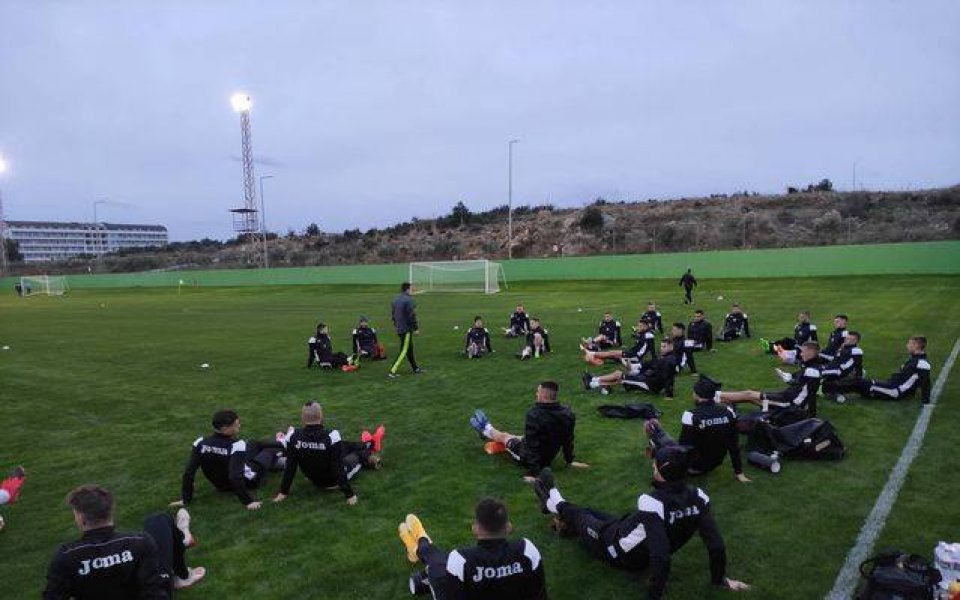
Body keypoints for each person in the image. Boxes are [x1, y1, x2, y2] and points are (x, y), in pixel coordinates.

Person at [531, 450, 750, 599]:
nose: (652, 467)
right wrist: (720, 579)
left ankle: (552, 499)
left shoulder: (652, 502)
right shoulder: (699, 496)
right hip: (626, 531)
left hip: (614, 549)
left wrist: (653, 596)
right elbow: (715, 544)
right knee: (589, 512)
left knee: (580, 516)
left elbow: (661, 555)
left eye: (654, 464)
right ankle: (558, 515)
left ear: (660, 471)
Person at [44, 484, 205, 599]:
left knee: (158, 521)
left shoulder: (66, 556)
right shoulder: (139, 542)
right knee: (158, 520)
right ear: (110, 511)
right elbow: (155, 589)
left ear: (80, 517)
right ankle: (183, 571)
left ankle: (184, 538)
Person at [397, 499, 548, 599]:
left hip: (455, 573)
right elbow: (540, 595)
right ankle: (418, 546)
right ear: (509, 527)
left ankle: (421, 541)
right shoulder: (527, 550)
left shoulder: (460, 558)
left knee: (436, 565)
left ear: (475, 529)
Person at [273, 401, 384, 506]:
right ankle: (371, 447)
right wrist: (350, 495)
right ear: (321, 416)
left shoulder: (293, 436)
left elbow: (290, 465)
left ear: (303, 418)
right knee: (357, 455)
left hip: (314, 478)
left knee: (343, 445)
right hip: (331, 482)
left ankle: (368, 443)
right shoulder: (332, 435)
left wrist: (283, 492)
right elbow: (338, 467)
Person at [468, 381, 586, 479]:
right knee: (519, 437)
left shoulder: (534, 414)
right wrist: (570, 460)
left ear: (543, 396)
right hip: (548, 450)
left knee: (506, 437)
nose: (536, 394)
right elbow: (568, 440)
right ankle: (486, 429)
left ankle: (486, 429)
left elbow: (532, 447)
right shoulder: (567, 413)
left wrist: (534, 473)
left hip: (528, 456)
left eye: (538, 392)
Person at [172, 409, 284, 511]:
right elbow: (234, 476)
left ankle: (282, 442)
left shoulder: (200, 443)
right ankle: (287, 446)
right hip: (251, 480)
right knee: (269, 451)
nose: (239, 426)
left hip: (221, 485)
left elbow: (188, 473)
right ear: (225, 429)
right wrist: (248, 502)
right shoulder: (236, 445)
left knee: (253, 443)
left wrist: (185, 499)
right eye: (236, 424)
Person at [644, 376, 750, 482]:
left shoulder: (690, 415)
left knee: (653, 429)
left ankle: (655, 443)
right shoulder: (729, 412)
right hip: (714, 464)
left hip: (694, 468)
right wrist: (739, 472)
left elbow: (683, 449)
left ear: (697, 395)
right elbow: (734, 445)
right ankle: (656, 440)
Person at [715, 342, 823, 416]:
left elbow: (810, 394)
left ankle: (713, 395)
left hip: (789, 404)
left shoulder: (812, 371)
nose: (801, 353)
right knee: (753, 397)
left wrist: (810, 415)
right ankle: (718, 399)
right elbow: (798, 385)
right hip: (786, 397)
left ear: (811, 352)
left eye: (804, 351)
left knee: (749, 394)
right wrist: (785, 376)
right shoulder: (810, 367)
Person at [829, 336, 931, 404]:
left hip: (894, 390)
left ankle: (829, 389)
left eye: (909, 344)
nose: (907, 346)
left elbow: (925, 382)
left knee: (859, 382)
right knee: (860, 386)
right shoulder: (914, 359)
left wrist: (925, 401)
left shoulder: (922, 363)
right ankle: (832, 390)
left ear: (916, 345)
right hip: (891, 385)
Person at [582, 339, 677, 398]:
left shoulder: (669, 360)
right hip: (646, 378)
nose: (661, 348)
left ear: (671, 347)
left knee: (621, 378)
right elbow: (641, 367)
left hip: (650, 384)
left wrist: (669, 394)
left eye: (664, 347)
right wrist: (626, 362)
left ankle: (592, 384)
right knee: (619, 373)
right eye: (661, 346)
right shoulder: (660, 358)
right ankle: (593, 380)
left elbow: (668, 377)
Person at [582, 319, 655, 365]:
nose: (638, 327)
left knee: (612, 355)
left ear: (645, 327)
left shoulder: (649, 335)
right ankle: (592, 354)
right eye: (638, 326)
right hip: (631, 353)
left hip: (635, 357)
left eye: (640, 326)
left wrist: (654, 359)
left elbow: (652, 348)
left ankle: (592, 355)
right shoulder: (644, 334)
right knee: (612, 352)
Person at [389, 282, 423, 378]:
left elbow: (393, 315)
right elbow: (411, 316)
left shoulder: (395, 300)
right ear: (407, 289)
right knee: (404, 350)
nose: (413, 290)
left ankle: (415, 368)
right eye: (412, 289)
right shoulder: (409, 300)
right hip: (406, 329)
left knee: (409, 349)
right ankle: (392, 371)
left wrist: (396, 325)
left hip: (399, 328)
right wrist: (415, 328)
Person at [820, 332, 865, 402]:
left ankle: (832, 392)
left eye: (850, 339)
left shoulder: (856, 350)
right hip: (833, 370)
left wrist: (858, 377)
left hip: (839, 372)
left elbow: (857, 365)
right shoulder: (844, 348)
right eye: (846, 338)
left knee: (817, 373)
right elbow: (835, 361)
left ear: (855, 341)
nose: (846, 340)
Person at [0, 466, 26, 532]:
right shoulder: (13, 481)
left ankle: (1, 523)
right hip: (6, 492)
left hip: (6, 493)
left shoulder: (15, 481)